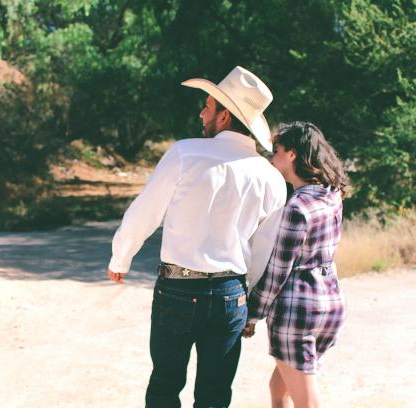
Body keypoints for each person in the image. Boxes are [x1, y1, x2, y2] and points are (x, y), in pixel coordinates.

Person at [106, 66, 287, 408]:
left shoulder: (185, 153)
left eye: (208, 106)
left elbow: (146, 211)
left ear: (224, 117)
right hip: (230, 295)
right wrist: (245, 299)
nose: (201, 111)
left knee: (164, 387)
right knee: (216, 394)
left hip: (177, 289)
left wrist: (121, 257)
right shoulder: (271, 178)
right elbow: (265, 251)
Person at [244, 121, 348, 408]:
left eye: (276, 150)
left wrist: (252, 315)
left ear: (291, 155)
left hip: (297, 313)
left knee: (306, 402)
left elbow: (279, 272)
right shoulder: (331, 195)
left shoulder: (296, 208)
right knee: (279, 390)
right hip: (330, 305)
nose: (271, 157)